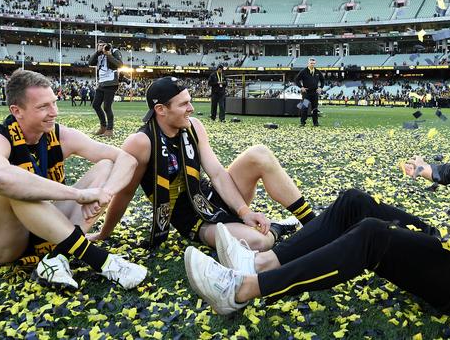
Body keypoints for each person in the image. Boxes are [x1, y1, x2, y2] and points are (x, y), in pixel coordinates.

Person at [184, 64, 450, 317]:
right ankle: (259, 261)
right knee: (355, 202)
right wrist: (429, 170)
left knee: (372, 233)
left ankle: (241, 291)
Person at [88, 76, 316, 252]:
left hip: (213, 196)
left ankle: (314, 225)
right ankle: (278, 227)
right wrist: (104, 234)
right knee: (259, 242)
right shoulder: (141, 142)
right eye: (184, 104)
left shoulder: (194, 126)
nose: (191, 108)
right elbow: (125, 193)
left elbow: (217, 173)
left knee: (260, 154)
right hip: (192, 220)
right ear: (161, 110)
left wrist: (244, 211)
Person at [0, 69, 147, 290]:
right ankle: (102, 261)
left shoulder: (60, 135)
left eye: (54, 102)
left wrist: (105, 192)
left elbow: (127, 160)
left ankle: (55, 258)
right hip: (0, 243)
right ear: (17, 111)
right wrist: (80, 195)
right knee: (13, 183)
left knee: (106, 166)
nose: (54, 112)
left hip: (44, 229)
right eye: (43, 107)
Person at [89, 42, 123, 137]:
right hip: (102, 82)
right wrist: (97, 52)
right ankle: (103, 126)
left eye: (103, 44)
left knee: (107, 107)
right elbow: (90, 63)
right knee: (96, 105)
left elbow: (119, 64)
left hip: (111, 82)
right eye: (99, 45)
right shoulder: (99, 54)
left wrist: (108, 54)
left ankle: (110, 129)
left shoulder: (114, 51)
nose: (102, 47)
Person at [294, 58, 325, 127]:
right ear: (308, 63)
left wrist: (320, 88)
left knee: (315, 108)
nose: (312, 64)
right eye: (311, 63)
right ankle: (302, 123)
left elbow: (323, 80)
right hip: (306, 93)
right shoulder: (303, 71)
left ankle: (315, 123)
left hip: (315, 93)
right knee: (304, 107)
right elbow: (297, 79)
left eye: (313, 63)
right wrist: (301, 87)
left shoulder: (317, 72)